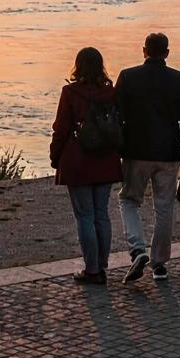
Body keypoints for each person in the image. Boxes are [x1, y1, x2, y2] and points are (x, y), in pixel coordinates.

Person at [114, 32, 180, 283]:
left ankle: (138, 249)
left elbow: (116, 115)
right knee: (164, 207)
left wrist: (118, 148)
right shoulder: (179, 79)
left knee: (129, 200)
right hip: (169, 153)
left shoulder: (128, 77)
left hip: (136, 152)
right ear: (167, 53)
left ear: (144, 51)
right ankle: (159, 264)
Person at [49, 47, 123, 284]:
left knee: (85, 216)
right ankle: (102, 266)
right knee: (102, 214)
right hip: (106, 160)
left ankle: (92, 269)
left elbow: (60, 129)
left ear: (78, 66)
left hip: (78, 161)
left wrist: (55, 156)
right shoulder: (111, 92)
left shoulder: (70, 93)